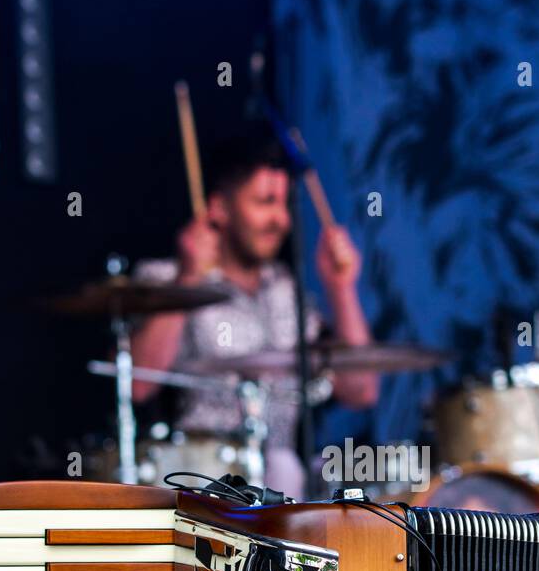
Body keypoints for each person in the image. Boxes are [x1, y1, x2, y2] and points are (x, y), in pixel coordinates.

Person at [131, 125, 378, 498]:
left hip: (279, 483)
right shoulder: (164, 278)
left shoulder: (287, 290)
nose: (281, 219)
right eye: (265, 202)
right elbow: (136, 384)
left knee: (336, 482)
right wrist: (188, 278)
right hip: (194, 480)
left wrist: (341, 288)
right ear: (219, 208)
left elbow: (361, 392)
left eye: (284, 203)